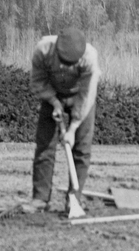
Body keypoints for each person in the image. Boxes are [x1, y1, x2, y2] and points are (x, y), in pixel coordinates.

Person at [30, 26, 101, 211]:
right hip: (52, 94)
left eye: (70, 64)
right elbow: (37, 81)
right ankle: (40, 198)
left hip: (81, 97)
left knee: (82, 149)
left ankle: (73, 199)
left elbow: (87, 96)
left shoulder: (90, 58)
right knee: (45, 146)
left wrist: (72, 129)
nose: (64, 67)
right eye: (62, 61)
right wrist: (54, 101)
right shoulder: (43, 50)